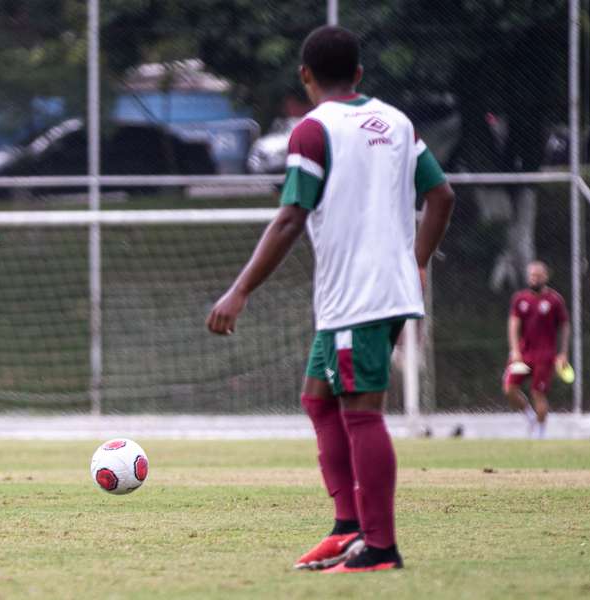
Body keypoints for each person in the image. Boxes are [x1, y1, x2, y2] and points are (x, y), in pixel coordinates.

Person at [206, 26, 454, 572]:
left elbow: (291, 216)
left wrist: (239, 290)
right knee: (318, 398)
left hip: (356, 295)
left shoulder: (312, 131)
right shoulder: (397, 121)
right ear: (360, 75)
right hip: (383, 289)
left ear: (305, 75)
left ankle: (381, 546)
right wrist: (416, 259)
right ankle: (347, 529)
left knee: (362, 414)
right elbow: (441, 195)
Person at [502, 261, 570, 439]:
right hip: (523, 354)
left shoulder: (555, 300)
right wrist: (515, 350)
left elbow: (564, 326)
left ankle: (540, 433)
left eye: (538, 275)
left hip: (545, 355)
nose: (534, 279)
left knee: (537, 393)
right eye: (532, 275)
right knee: (509, 388)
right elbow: (513, 325)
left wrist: (562, 353)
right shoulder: (520, 299)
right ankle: (530, 416)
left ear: (545, 277)